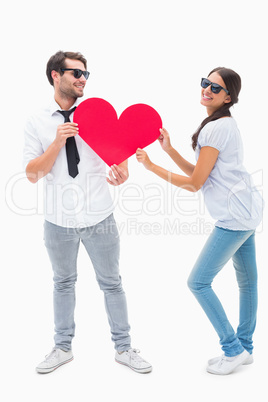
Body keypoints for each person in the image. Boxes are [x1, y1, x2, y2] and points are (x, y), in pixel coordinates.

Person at [23, 50, 152, 374]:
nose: (83, 79)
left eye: (85, 74)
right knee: (63, 282)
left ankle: (124, 348)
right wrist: (56, 142)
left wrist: (122, 173)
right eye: (76, 73)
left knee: (112, 282)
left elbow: (118, 160)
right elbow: (32, 174)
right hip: (58, 221)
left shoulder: (96, 114)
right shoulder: (37, 120)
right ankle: (62, 347)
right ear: (56, 75)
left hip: (100, 217)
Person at [136, 67, 263, 375]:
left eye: (215, 88)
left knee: (198, 281)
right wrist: (169, 151)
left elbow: (194, 184)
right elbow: (200, 174)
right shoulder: (219, 123)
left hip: (234, 216)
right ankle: (244, 348)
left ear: (228, 97)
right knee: (247, 282)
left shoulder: (217, 127)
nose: (207, 89)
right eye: (205, 83)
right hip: (246, 210)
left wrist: (152, 166)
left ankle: (232, 349)